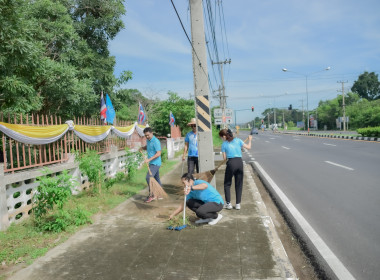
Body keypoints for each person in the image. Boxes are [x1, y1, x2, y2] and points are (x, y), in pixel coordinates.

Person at [219, 129, 252, 210]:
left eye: (221, 137)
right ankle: (238, 204)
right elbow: (248, 147)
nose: (221, 139)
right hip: (239, 163)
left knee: (227, 184)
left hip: (231, 163)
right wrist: (250, 140)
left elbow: (224, 158)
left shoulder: (224, 144)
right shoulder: (238, 140)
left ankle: (228, 204)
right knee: (239, 184)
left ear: (224, 136)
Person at [139, 127, 162, 203]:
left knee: (148, 177)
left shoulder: (156, 141)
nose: (147, 137)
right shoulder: (148, 140)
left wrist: (148, 159)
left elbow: (158, 153)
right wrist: (142, 148)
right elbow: (148, 147)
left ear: (152, 133)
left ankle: (152, 195)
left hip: (155, 163)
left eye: (148, 135)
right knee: (156, 179)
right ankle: (159, 194)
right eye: (145, 135)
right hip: (152, 163)